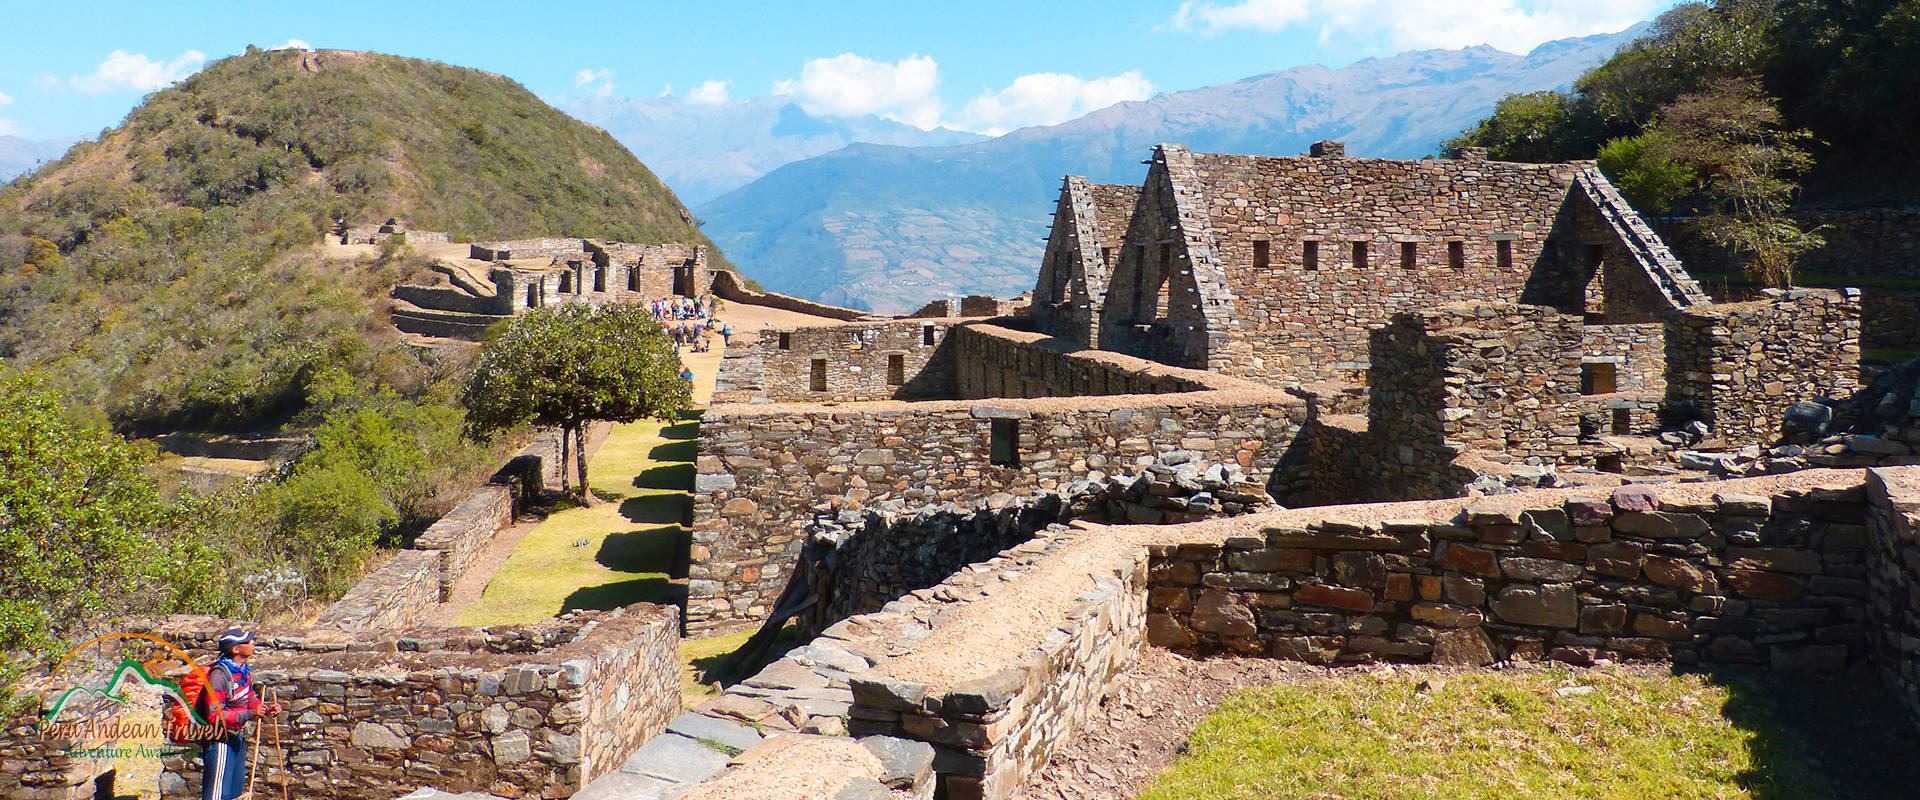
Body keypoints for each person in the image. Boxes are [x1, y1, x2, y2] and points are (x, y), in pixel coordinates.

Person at [200, 628, 281, 800]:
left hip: (237, 738)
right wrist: (250, 714)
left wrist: (264, 708)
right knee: (217, 794)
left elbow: (248, 697)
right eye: (248, 641)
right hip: (221, 740)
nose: (252, 643)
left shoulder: (243, 671)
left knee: (234, 793)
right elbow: (215, 716)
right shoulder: (219, 676)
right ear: (236, 649)